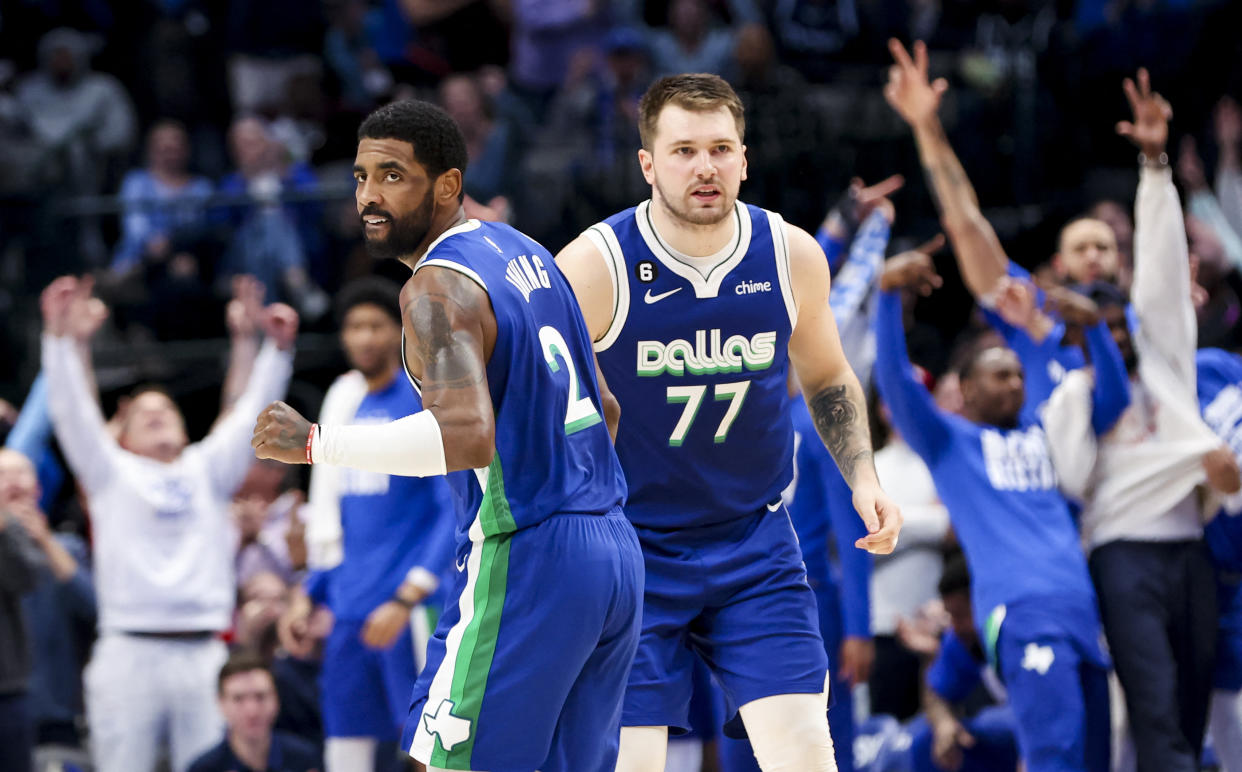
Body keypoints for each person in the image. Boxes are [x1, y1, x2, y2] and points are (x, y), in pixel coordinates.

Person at [251, 98, 643, 772]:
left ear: (447, 186)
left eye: (393, 176)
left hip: (530, 554)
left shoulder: (436, 288)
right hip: (611, 554)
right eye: (360, 176)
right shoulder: (528, 253)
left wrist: (318, 444)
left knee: (439, 765)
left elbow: (464, 437)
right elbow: (604, 407)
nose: (370, 196)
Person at [554, 73, 902, 771]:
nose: (705, 167)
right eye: (683, 151)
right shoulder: (596, 266)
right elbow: (534, 402)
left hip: (755, 541)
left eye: (720, 148)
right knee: (631, 761)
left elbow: (828, 375)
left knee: (807, 751)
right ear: (648, 164)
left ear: (745, 158)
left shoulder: (789, 254)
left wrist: (862, 474)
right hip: (632, 547)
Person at [873, 241, 1125, 771]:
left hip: (1082, 610)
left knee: (1100, 761)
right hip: (1021, 610)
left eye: (1017, 374)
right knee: (1053, 758)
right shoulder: (949, 441)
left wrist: (1094, 329)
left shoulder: (1042, 426)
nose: (1015, 381)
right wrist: (888, 298)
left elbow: (1113, 398)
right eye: (999, 374)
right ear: (964, 389)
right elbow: (896, 381)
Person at [41, 276, 297, 772]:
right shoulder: (109, 473)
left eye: (167, 409)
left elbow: (248, 414)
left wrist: (277, 352)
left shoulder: (206, 469)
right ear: (125, 436)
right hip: (129, 650)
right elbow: (71, 411)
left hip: (203, 653)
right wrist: (56, 337)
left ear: (185, 427)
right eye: (145, 413)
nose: (158, 414)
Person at [280, 276, 456, 772]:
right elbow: (336, 521)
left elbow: (451, 510)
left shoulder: (423, 401)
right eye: (354, 326)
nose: (364, 337)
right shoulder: (343, 403)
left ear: (399, 331)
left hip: (409, 608)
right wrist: (309, 590)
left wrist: (409, 596)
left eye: (376, 326)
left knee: (429, 743)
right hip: (349, 606)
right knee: (346, 741)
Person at [187, 652, 322, 772]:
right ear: (221, 703)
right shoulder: (204, 768)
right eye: (238, 699)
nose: (252, 711)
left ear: (277, 698)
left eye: (260, 696)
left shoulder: (305, 759)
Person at [0, 452, 49, 772]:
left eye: (22, 472)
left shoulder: (11, 528)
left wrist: (2, 530)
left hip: (7, 692)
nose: (14, 481)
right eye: (4, 474)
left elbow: (29, 579)